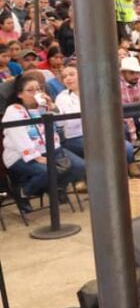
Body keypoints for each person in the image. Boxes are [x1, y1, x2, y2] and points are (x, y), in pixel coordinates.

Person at [3, 73, 86, 212]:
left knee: (80, 166)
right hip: (20, 156)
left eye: (38, 89)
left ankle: (57, 187)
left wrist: (52, 106)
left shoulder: (43, 107)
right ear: (20, 94)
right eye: (30, 90)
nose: (36, 93)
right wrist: (36, 156)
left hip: (52, 149)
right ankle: (23, 192)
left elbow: (61, 124)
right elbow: (19, 137)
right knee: (48, 170)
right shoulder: (13, 111)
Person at [55, 66, 140, 178]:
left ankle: (130, 164)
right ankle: (92, 178)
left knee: (126, 146)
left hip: (99, 133)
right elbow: (63, 123)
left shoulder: (93, 93)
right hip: (75, 137)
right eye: (64, 76)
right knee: (103, 148)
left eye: (71, 74)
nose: (68, 78)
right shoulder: (61, 98)